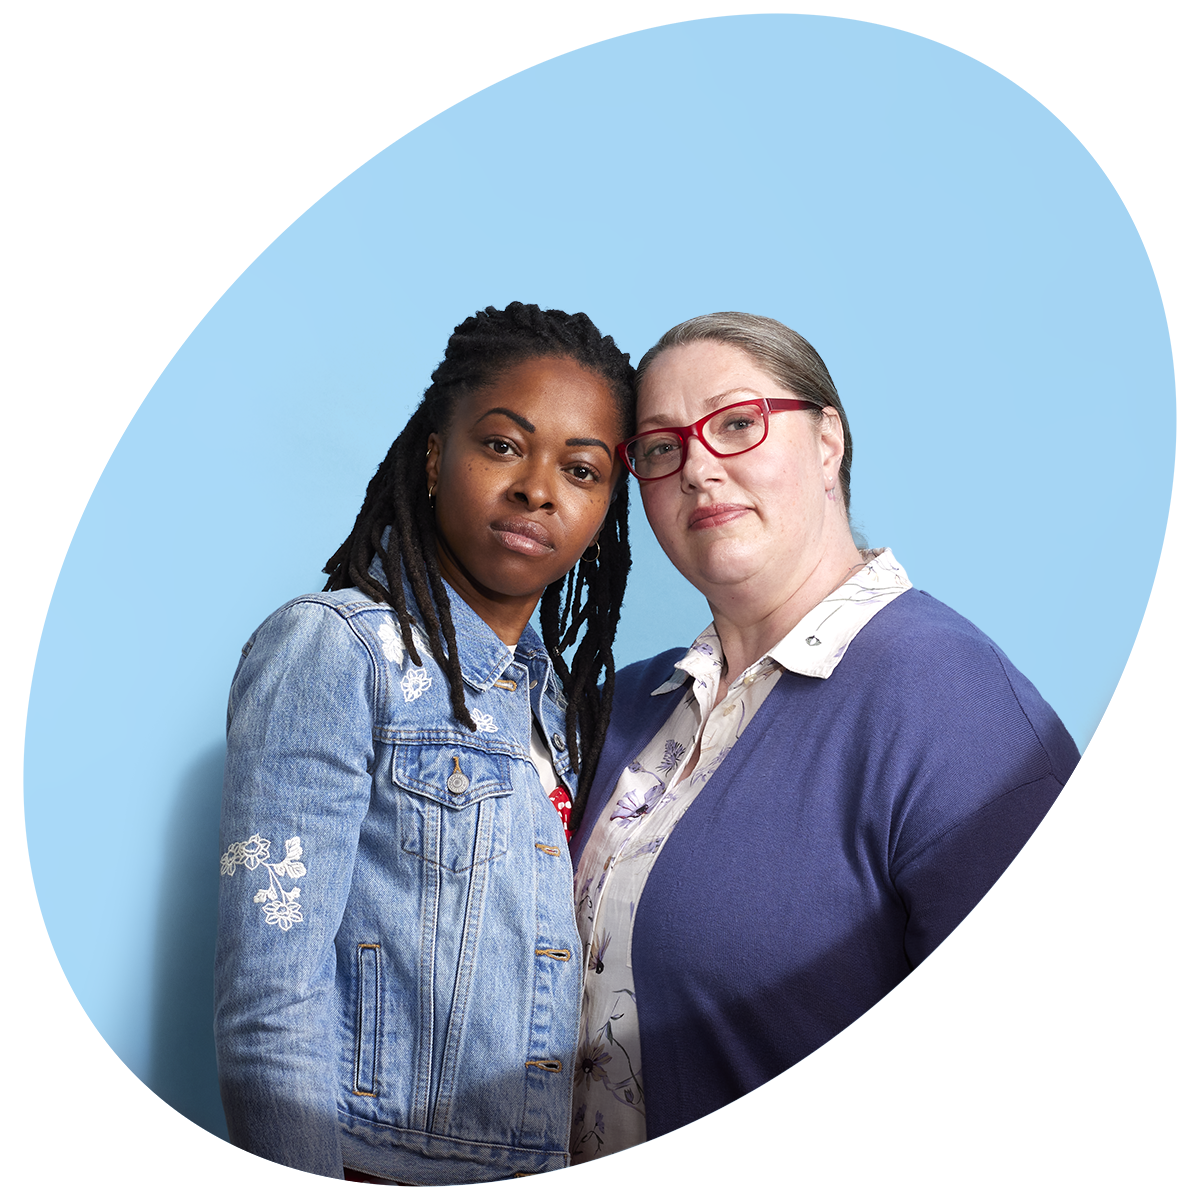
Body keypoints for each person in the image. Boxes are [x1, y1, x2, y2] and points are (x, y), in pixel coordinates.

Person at [568, 312, 1080, 1161]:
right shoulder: (619, 708)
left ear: (828, 440)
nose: (699, 467)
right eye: (660, 448)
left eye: (737, 424)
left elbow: (1042, 1076)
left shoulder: (955, 705)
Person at [214, 302, 635, 1184]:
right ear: (437, 458)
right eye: (503, 445)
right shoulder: (336, 649)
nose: (538, 490)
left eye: (583, 469)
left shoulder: (556, 707)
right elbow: (269, 999)